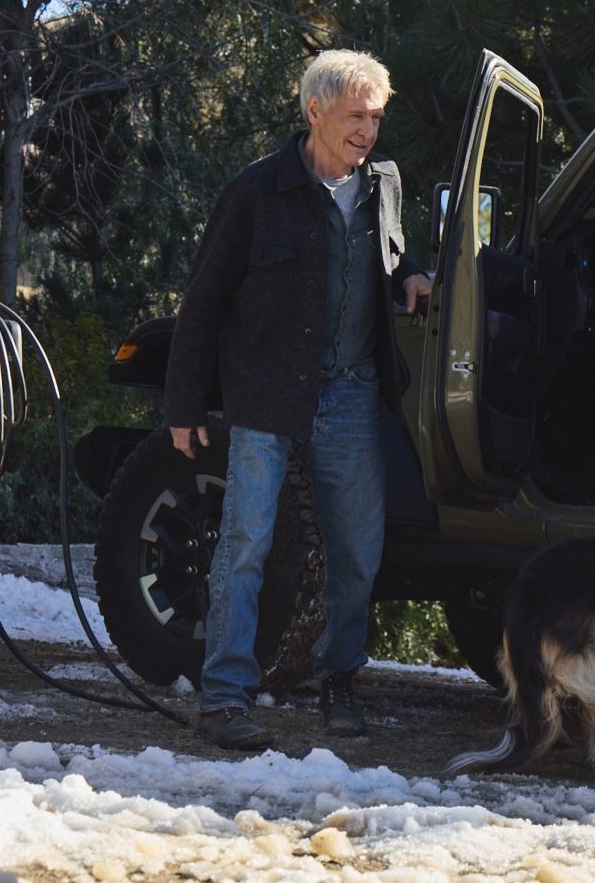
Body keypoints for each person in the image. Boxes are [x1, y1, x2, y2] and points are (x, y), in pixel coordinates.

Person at [164, 49, 432, 749]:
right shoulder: (256, 191)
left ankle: (339, 680)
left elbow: (392, 252)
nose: (368, 131)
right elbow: (202, 303)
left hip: (351, 394)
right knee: (245, 545)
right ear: (315, 112)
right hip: (268, 394)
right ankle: (225, 697)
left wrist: (412, 274)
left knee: (357, 552)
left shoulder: (384, 185)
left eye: (375, 118)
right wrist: (184, 405)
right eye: (355, 116)